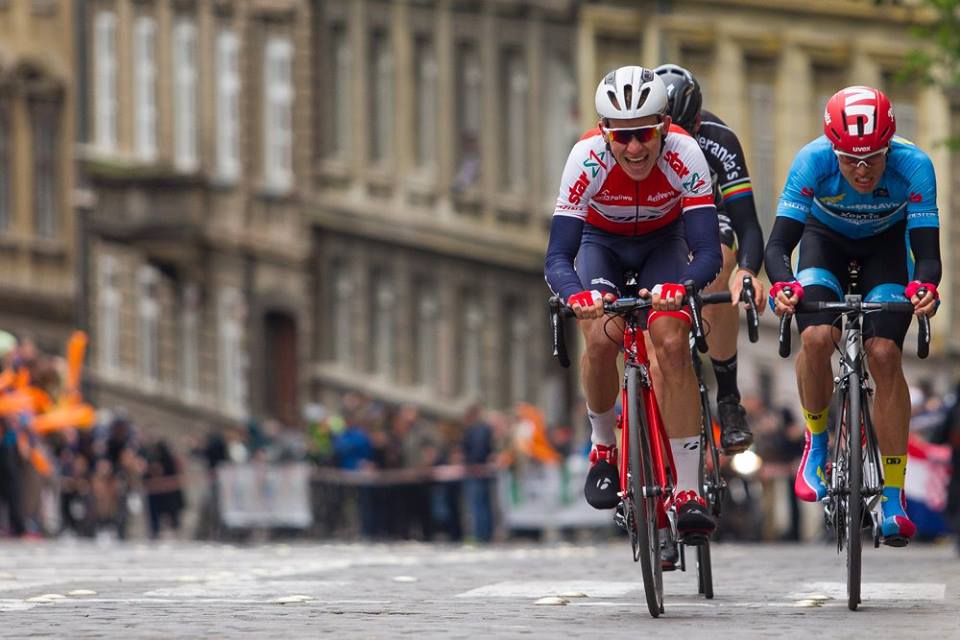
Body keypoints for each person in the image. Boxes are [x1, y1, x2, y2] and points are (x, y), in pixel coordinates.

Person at [544, 65, 722, 538]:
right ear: (604, 133)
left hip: (664, 241)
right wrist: (576, 296)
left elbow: (706, 251)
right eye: (621, 137)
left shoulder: (685, 153)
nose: (635, 148)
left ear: (664, 125)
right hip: (601, 242)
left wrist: (682, 286)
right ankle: (604, 446)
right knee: (601, 335)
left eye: (644, 133)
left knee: (669, 338)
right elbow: (558, 256)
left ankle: (686, 490)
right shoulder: (585, 159)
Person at [765, 85, 941, 546]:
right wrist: (784, 285)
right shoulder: (811, 161)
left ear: (889, 147)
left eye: (873, 159)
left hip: (886, 248)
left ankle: (894, 497)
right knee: (818, 338)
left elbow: (926, 257)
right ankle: (817, 444)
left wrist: (923, 290)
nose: (862, 171)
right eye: (849, 160)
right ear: (833, 150)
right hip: (825, 242)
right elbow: (779, 246)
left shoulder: (915, 166)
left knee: (883, 354)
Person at [654, 64, 766, 454]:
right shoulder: (636, 139)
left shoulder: (719, 141)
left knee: (718, 271)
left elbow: (747, 223)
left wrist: (747, 271)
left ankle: (729, 398)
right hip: (657, 222)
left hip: (709, 217)